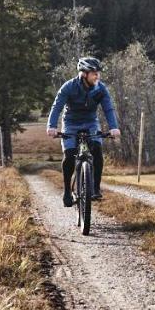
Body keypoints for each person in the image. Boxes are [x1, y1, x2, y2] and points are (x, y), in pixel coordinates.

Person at [47, 56, 121, 207]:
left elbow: (108, 108)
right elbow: (57, 107)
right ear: (84, 74)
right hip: (71, 122)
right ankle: (67, 190)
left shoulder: (100, 88)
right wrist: (52, 126)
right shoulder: (69, 87)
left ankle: (95, 188)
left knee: (97, 150)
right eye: (94, 73)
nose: (97, 76)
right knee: (69, 155)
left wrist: (114, 127)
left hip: (90, 122)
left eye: (98, 73)